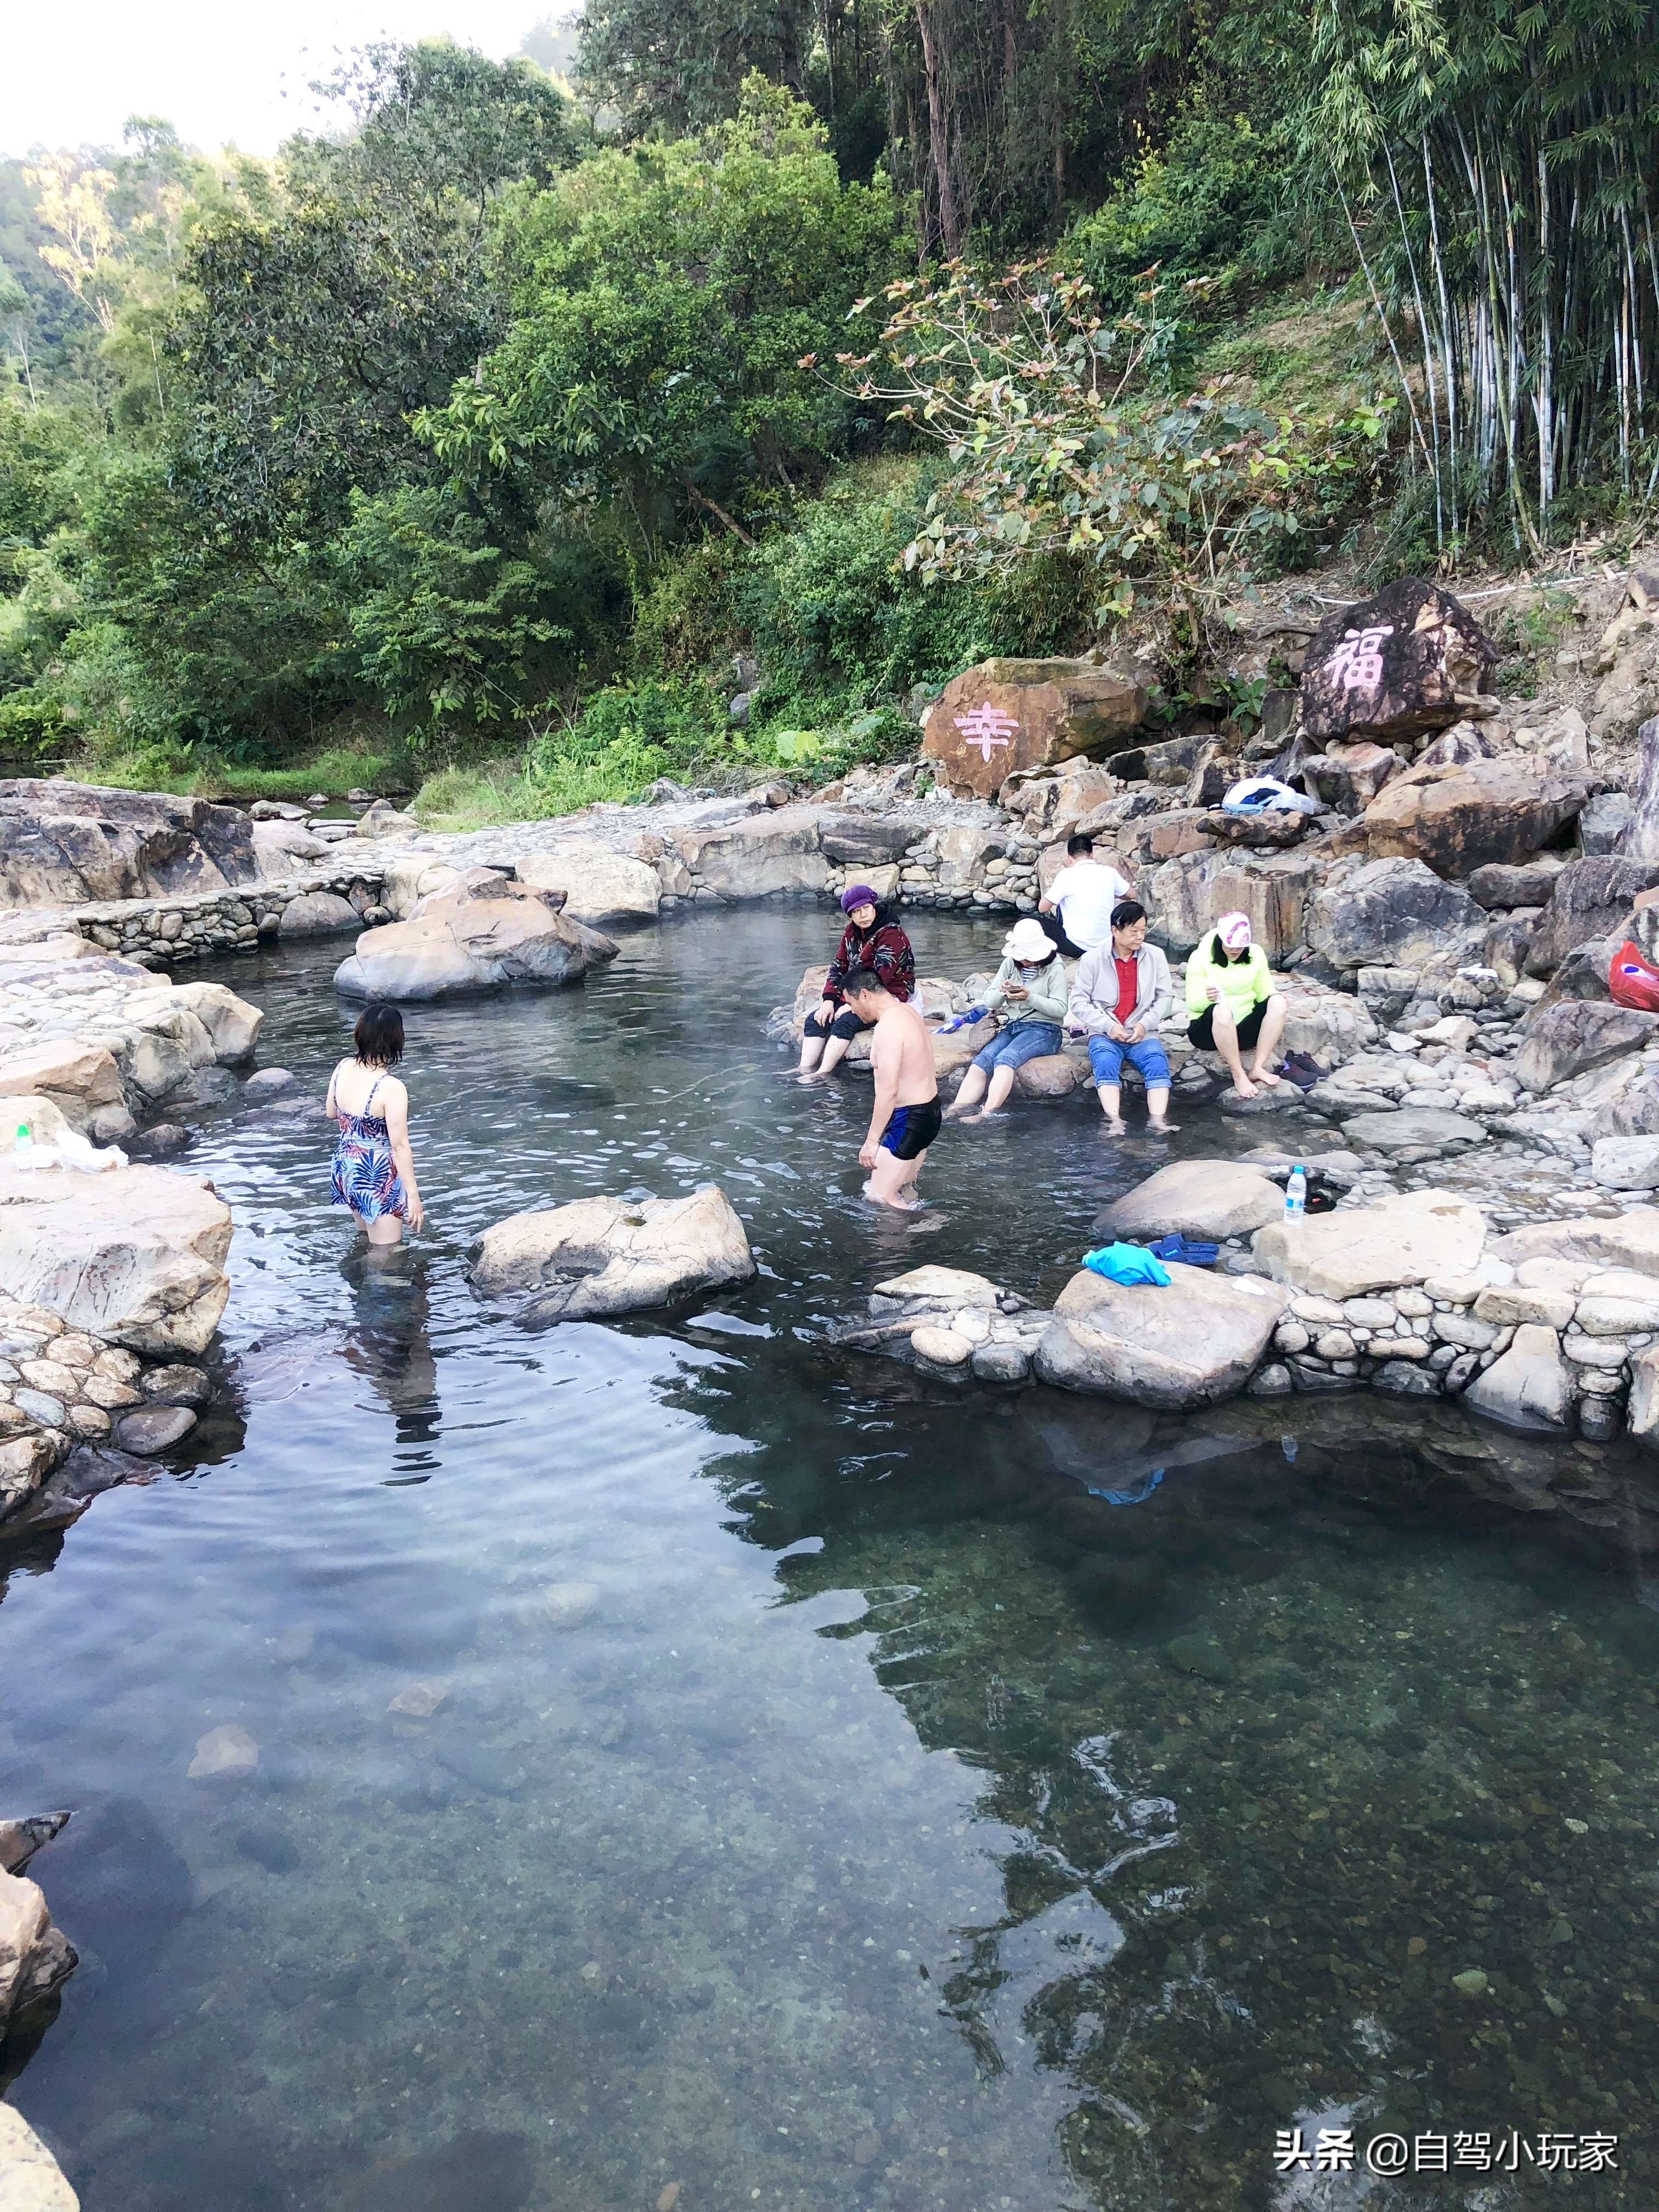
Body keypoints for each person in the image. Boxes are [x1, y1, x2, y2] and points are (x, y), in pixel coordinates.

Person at [1066, 900, 1177, 1132]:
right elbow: (1078, 1001)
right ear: (1115, 931)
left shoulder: (1155, 956)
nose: (1140, 937)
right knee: (1105, 1063)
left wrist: (1145, 1025)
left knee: (1157, 1063)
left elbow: (1165, 997)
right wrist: (1108, 1026)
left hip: (1142, 1031)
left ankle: (1158, 1121)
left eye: (1144, 930)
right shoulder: (1092, 960)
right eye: (1134, 931)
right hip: (1106, 1032)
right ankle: (1114, 1121)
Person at [944, 917, 1069, 1124]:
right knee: (982, 1062)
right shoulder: (1011, 963)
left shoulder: (1055, 969)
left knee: (1005, 1060)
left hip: (1045, 1029)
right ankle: (955, 1110)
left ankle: (987, 1113)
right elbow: (990, 1001)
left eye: (1028, 957)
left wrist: (1030, 997)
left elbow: (1060, 1009)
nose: (1024, 961)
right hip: (1012, 1025)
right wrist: (1002, 992)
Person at [842, 967, 940, 1210]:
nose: (851, 1010)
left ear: (865, 995)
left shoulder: (889, 1028)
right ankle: (922, 1233)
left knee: (880, 1197)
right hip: (929, 1112)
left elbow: (888, 1091)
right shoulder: (907, 1012)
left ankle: (927, 1227)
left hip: (910, 1119)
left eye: (851, 1003)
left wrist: (871, 1142)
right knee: (903, 1186)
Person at [326, 1002, 424, 1246]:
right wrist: (414, 1197)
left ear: (360, 1033)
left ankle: (356, 1279)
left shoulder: (343, 1067)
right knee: (387, 1254)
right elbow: (400, 1146)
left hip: (346, 1168)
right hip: (376, 1177)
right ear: (396, 1040)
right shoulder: (391, 1087)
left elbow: (331, 1112)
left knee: (365, 1240)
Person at [799, 885, 916, 1081]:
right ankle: (804, 1069)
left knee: (846, 1021)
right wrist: (829, 999)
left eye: (866, 908)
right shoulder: (852, 932)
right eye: (856, 912)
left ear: (874, 907)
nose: (863, 915)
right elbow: (840, 964)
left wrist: (849, 1005)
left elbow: (881, 977)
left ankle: (822, 1073)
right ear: (850, 916)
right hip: (856, 990)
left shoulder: (891, 933)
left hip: (887, 991)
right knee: (817, 1018)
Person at [1186, 910, 1289, 1101]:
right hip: (1208, 1032)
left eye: (1240, 947)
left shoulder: (1256, 953)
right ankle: (1238, 1074)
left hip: (1243, 1030)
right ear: (1221, 940)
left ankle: (1258, 1068)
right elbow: (1193, 1004)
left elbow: (1264, 990)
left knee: (1278, 1002)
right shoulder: (1200, 958)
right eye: (1230, 945)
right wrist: (1207, 997)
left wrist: (1274, 996)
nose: (1235, 951)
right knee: (1222, 1010)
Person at [1038, 833, 1133, 957]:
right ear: (1091, 855)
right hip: (1106, 945)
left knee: (1026, 921)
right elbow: (1132, 894)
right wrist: (1113, 895)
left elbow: (1043, 908)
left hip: (1078, 948)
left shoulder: (1067, 875)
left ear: (1070, 858)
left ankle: (1042, 962)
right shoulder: (1109, 872)